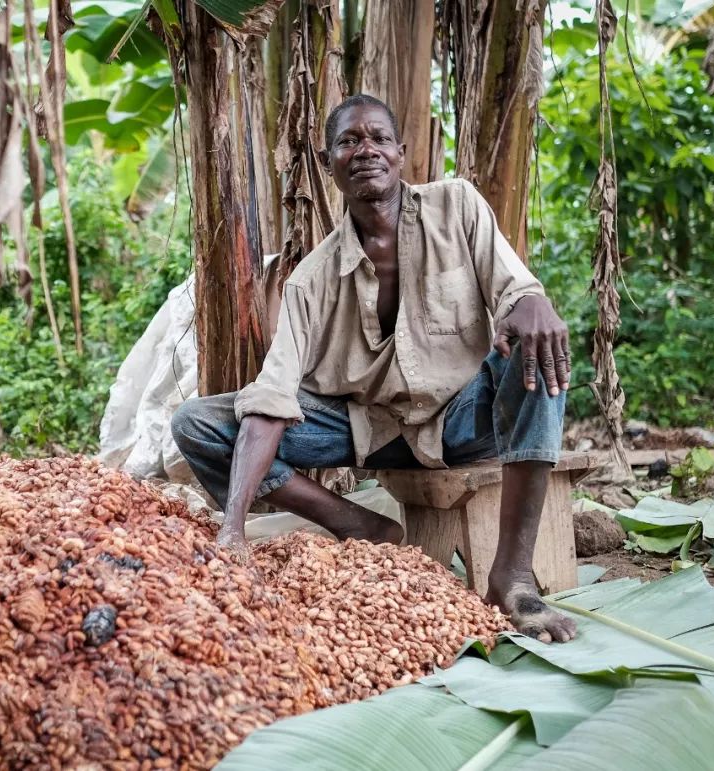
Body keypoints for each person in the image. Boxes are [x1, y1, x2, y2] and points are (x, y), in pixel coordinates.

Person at [171, 94, 577, 643]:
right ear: (327, 162)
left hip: (461, 419)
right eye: (349, 140)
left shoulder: (456, 206)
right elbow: (271, 400)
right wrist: (233, 531)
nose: (366, 150)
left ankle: (512, 576)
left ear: (401, 153)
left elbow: (516, 289)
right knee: (197, 422)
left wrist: (530, 302)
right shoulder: (309, 281)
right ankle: (355, 523)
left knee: (535, 345)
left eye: (379, 138)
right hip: (364, 431)